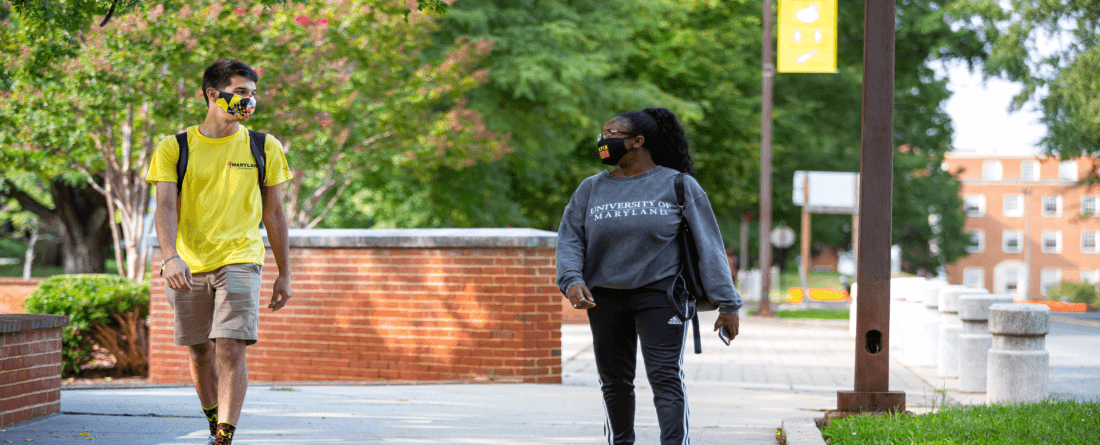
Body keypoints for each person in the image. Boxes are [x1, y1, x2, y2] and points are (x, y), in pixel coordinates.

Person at [555, 107, 743, 445]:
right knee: (614, 382)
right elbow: (570, 238)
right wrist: (570, 279)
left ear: (638, 141)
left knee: (665, 377)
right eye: (603, 134)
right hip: (605, 297)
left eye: (611, 135)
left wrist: (728, 303)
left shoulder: (678, 185)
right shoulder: (591, 189)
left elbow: (710, 246)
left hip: (661, 295)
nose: (603, 141)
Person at [147, 59, 293, 445]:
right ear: (213, 94)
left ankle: (225, 435)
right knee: (199, 351)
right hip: (187, 264)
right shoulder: (174, 147)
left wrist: (285, 272)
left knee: (230, 344)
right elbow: (163, 206)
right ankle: (214, 420)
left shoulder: (264, 146)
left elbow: (274, 212)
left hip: (241, 258)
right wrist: (170, 256)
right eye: (241, 92)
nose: (250, 100)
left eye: (253, 93)